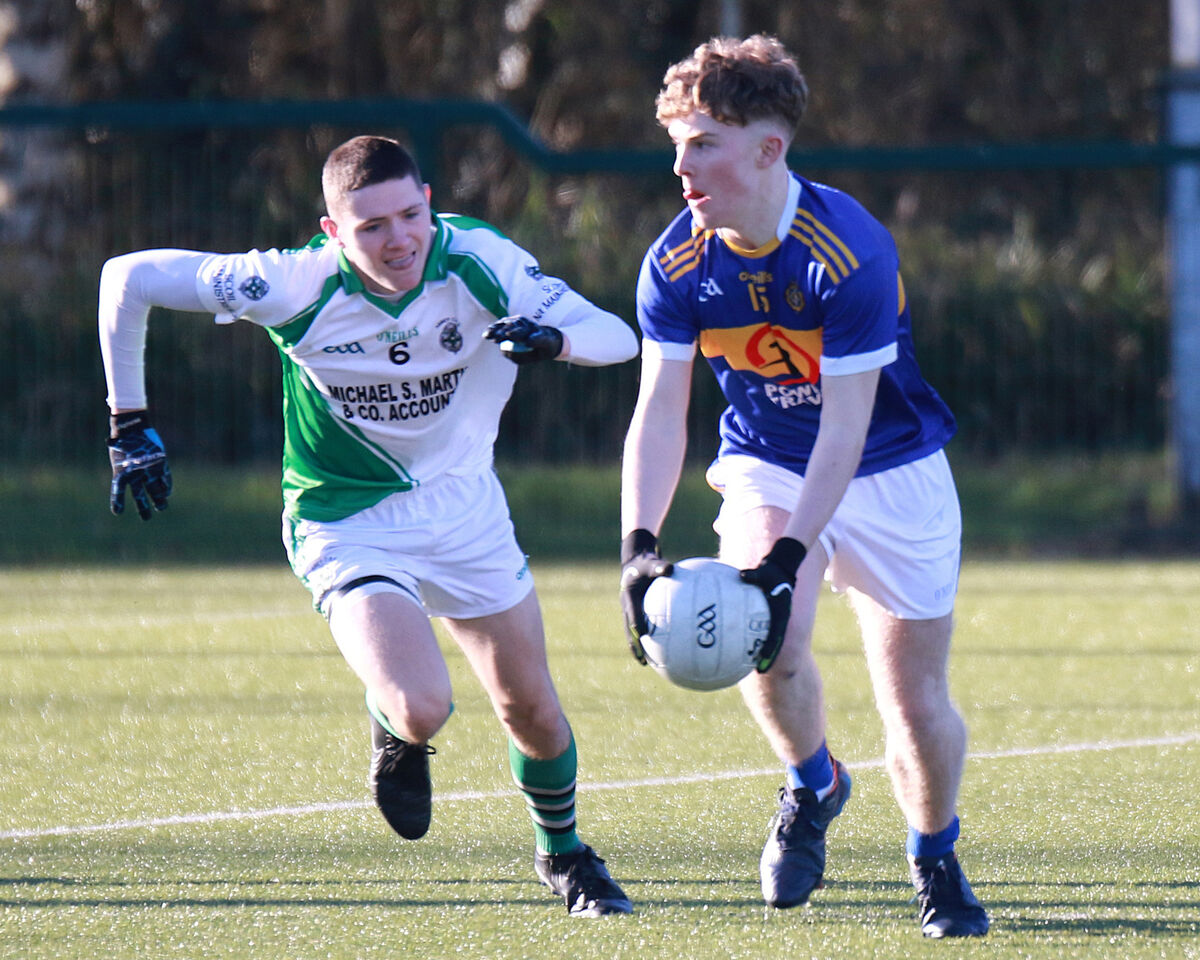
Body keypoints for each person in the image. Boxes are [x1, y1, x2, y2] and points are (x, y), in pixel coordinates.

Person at [100, 135, 638, 919]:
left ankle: (564, 857)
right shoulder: (292, 282)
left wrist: (554, 340)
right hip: (346, 520)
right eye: (372, 226)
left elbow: (615, 336)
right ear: (331, 231)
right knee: (424, 705)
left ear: (429, 201)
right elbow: (130, 277)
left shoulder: (479, 259)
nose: (399, 239)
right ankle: (396, 728)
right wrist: (128, 423)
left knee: (533, 711)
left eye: (410, 215)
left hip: (466, 511)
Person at [619, 36, 989, 938]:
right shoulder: (675, 263)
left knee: (915, 703)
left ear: (767, 149)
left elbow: (847, 426)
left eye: (703, 142)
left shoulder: (848, 251)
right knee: (763, 635)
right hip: (766, 461)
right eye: (677, 143)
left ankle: (934, 853)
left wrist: (791, 557)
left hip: (891, 469)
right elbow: (660, 413)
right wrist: (637, 549)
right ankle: (814, 784)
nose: (683, 165)